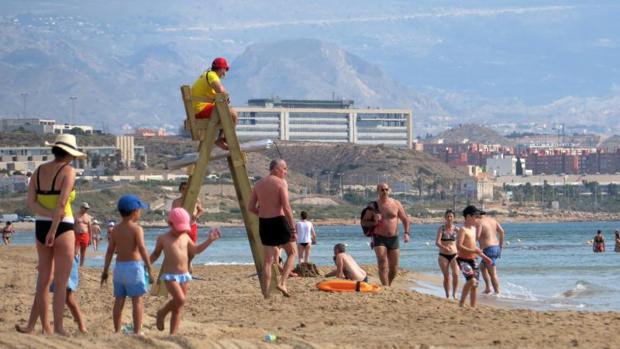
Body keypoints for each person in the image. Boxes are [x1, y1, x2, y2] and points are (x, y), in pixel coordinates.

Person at [24, 134, 85, 335]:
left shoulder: (39, 171)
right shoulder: (68, 171)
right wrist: (54, 227)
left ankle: (46, 328)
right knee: (60, 282)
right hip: (62, 227)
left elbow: (31, 203)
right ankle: (58, 327)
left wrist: (48, 219)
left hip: (40, 225)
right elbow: (62, 203)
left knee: (43, 281)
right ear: (70, 154)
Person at [150, 207, 221, 335]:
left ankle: (173, 335)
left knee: (178, 307)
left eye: (184, 228)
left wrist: (209, 240)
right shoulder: (163, 238)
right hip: (170, 276)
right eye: (180, 228)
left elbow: (196, 250)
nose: (182, 231)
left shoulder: (185, 236)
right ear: (170, 224)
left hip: (184, 275)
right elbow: (155, 254)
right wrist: (146, 264)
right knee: (180, 299)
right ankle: (162, 313)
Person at [101, 194, 154, 335]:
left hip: (119, 268)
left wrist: (105, 270)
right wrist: (149, 267)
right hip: (134, 268)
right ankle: (137, 332)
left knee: (119, 300)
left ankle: (117, 331)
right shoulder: (137, 229)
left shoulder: (115, 230)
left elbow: (109, 251)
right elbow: (142, 248)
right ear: (134, 211)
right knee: (137, 300)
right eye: (140, 210)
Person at [248, 159, 298, 298]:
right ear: (276, 169)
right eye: (284, 169)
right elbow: (286, 207)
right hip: (279, 221)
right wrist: (293, 229)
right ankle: (282, 283)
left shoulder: (258, 184)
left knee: (268, 261)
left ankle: (265, 293)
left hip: (264, 222)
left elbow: (251, 207)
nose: (286, 172)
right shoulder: (281, 183)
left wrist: (262, 212)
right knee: (292, 252)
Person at [16, 255, 87, 334]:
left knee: (67, 296)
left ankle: (81, 326)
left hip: (66, 258)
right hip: (52, 256)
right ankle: (30, 326)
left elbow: (76, 248)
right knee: (40, 293)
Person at [363, 183, 410, 286]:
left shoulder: (396, 203)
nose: (384, 192)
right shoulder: (373, 206)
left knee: (394, 267)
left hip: (394, 238)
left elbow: (405, 219)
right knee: (382, 263)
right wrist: (374, 222)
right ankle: (386, 287)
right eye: (382, 190)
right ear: (378, 191)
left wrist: (406, 233)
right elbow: (364, 222)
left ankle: (388, 285)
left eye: (386, 189)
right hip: (379, 237)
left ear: (389, 190)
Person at [191, 57, 238, 150]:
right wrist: (226, 98)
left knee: (227, 113)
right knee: (233, 114)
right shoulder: (212, 75)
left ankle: (222, 138)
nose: (224, 73)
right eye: (225, 70)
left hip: (199, 109)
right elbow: (221, 91)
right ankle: (224, 139)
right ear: (221, 69)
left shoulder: (207, 75)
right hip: (200, 110)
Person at [456, 205, 492, 308]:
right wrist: (473, 250)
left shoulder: (474, 229)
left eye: (478, 217)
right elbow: (459, 246)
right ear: (468, 216)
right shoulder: (463, 230)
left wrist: (485, 257)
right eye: (475, 216)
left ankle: (473, 306)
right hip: (463, 260)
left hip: (473, 259)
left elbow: (475, 247)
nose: (477, 219)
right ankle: (461, 303)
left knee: (475, 284)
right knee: (471, 280)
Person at [477, 214, 505, 294]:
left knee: (492, 273)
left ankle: (497, 292)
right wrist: (500, 246)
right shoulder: (493, 220)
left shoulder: (480, 222)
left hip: (488, 249)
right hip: (495, 247)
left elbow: (477, 236)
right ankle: (488, 288)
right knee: (482, 267)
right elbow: (502, 232)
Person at [435, 209, 460, 299]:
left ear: (453, 218)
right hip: (443, 255)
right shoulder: (441, 228)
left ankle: (454, 293)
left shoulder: (457, 229)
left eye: (451, 216)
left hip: (454, 254)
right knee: (447, 276)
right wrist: (444, 247)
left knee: (456, 274)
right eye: (448, 216)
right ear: (445, 217)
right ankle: (447, 294)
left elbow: (463, 241)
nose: (449, 218)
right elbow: (437, 242)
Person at [171, 181, 204, 245]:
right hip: (180, 227)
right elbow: (173, 215)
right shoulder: (176, 202)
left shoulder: (196, 200)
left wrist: (197, 216)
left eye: (187, 189)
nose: (185, 191)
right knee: (181, 246)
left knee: (192, 247)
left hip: (192, 226)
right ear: (180, 190)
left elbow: (201, 210)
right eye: (183, 189)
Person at [74, 202, 92, 266]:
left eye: (87, 208)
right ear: (81, 208)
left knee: (83, 251)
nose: (86, 209)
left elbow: (90, 228)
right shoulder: (76, 215)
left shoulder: (88, 217)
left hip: (85, 235)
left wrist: (90, 238)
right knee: (75, 251)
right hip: (77, 234)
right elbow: (72, 226)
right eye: (85, 208)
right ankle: (75, 263)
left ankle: (81, 265)